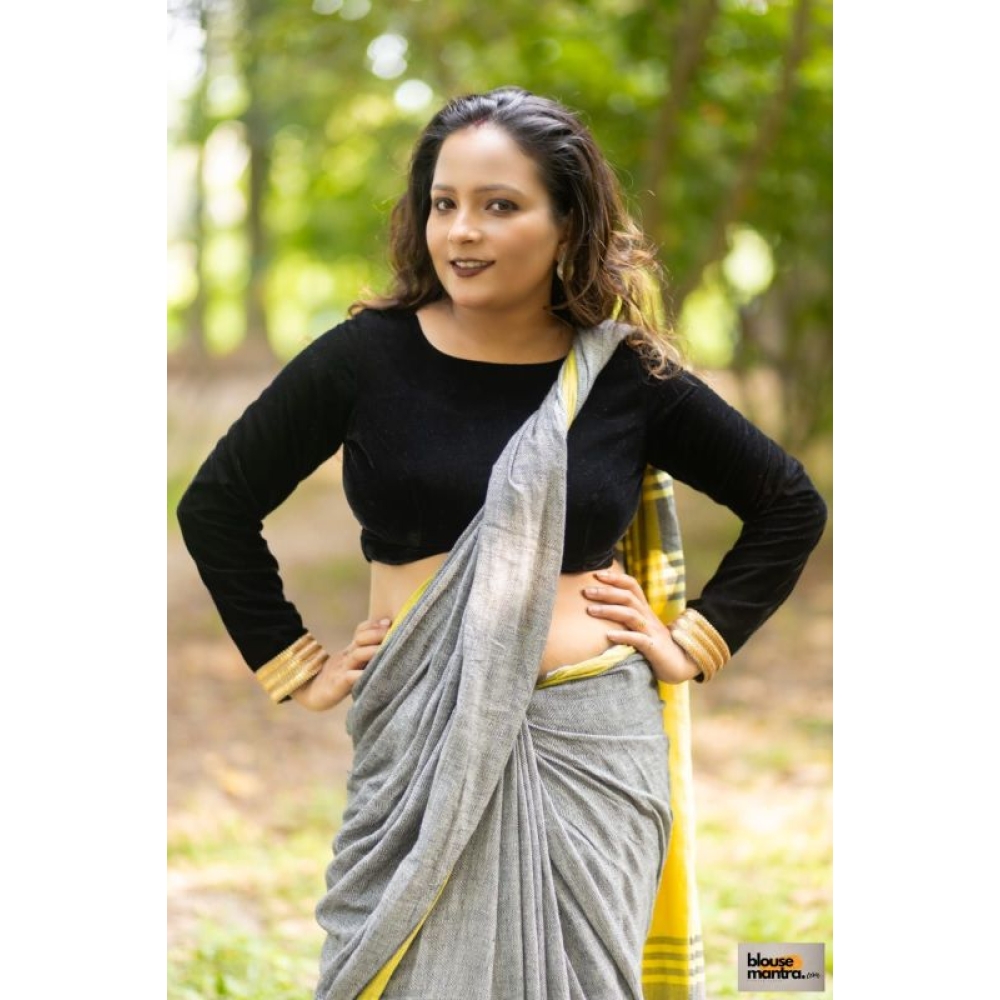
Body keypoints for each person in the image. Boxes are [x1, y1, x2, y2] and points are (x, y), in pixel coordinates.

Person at [177, 86, 827, 1000]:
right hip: (418, 739)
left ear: (568, 225)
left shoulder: (623, 373)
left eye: (500, 205)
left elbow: (788, 503)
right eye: (444, 203)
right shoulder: (366, 358)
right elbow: (216, 504)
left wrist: (691, 641)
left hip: (590, 747)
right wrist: (295, 663)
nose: (462, 231)